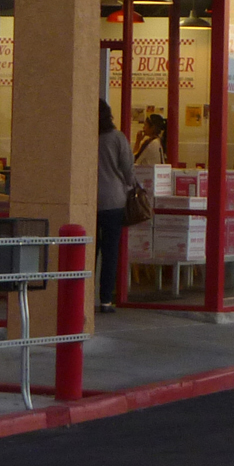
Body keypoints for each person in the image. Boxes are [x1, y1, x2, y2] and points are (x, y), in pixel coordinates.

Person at [95, 99, 135, 312]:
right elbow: (128, 170)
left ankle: (84, 296)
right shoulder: (117, 138)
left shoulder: (86, 139)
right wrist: (131, 185)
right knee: (110, 252)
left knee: (89, 251)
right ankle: (105, 300)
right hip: (114, 201)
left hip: (89, 201)